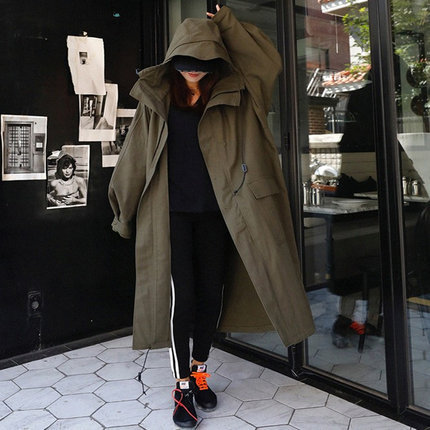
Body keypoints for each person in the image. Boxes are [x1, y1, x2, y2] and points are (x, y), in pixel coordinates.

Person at [109, 4, 315, 428]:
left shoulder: (239, 94)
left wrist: (225, 23)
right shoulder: (157, 100)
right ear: (172, 61)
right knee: (181, 300)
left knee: (210, 297)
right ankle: (182, 387)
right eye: (186, 61)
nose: (193, 69)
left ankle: (200, 371)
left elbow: (267, 62)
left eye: (203, 62)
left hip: (221, 214)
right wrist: (123, 212)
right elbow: (135, 159)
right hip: (171, 216)